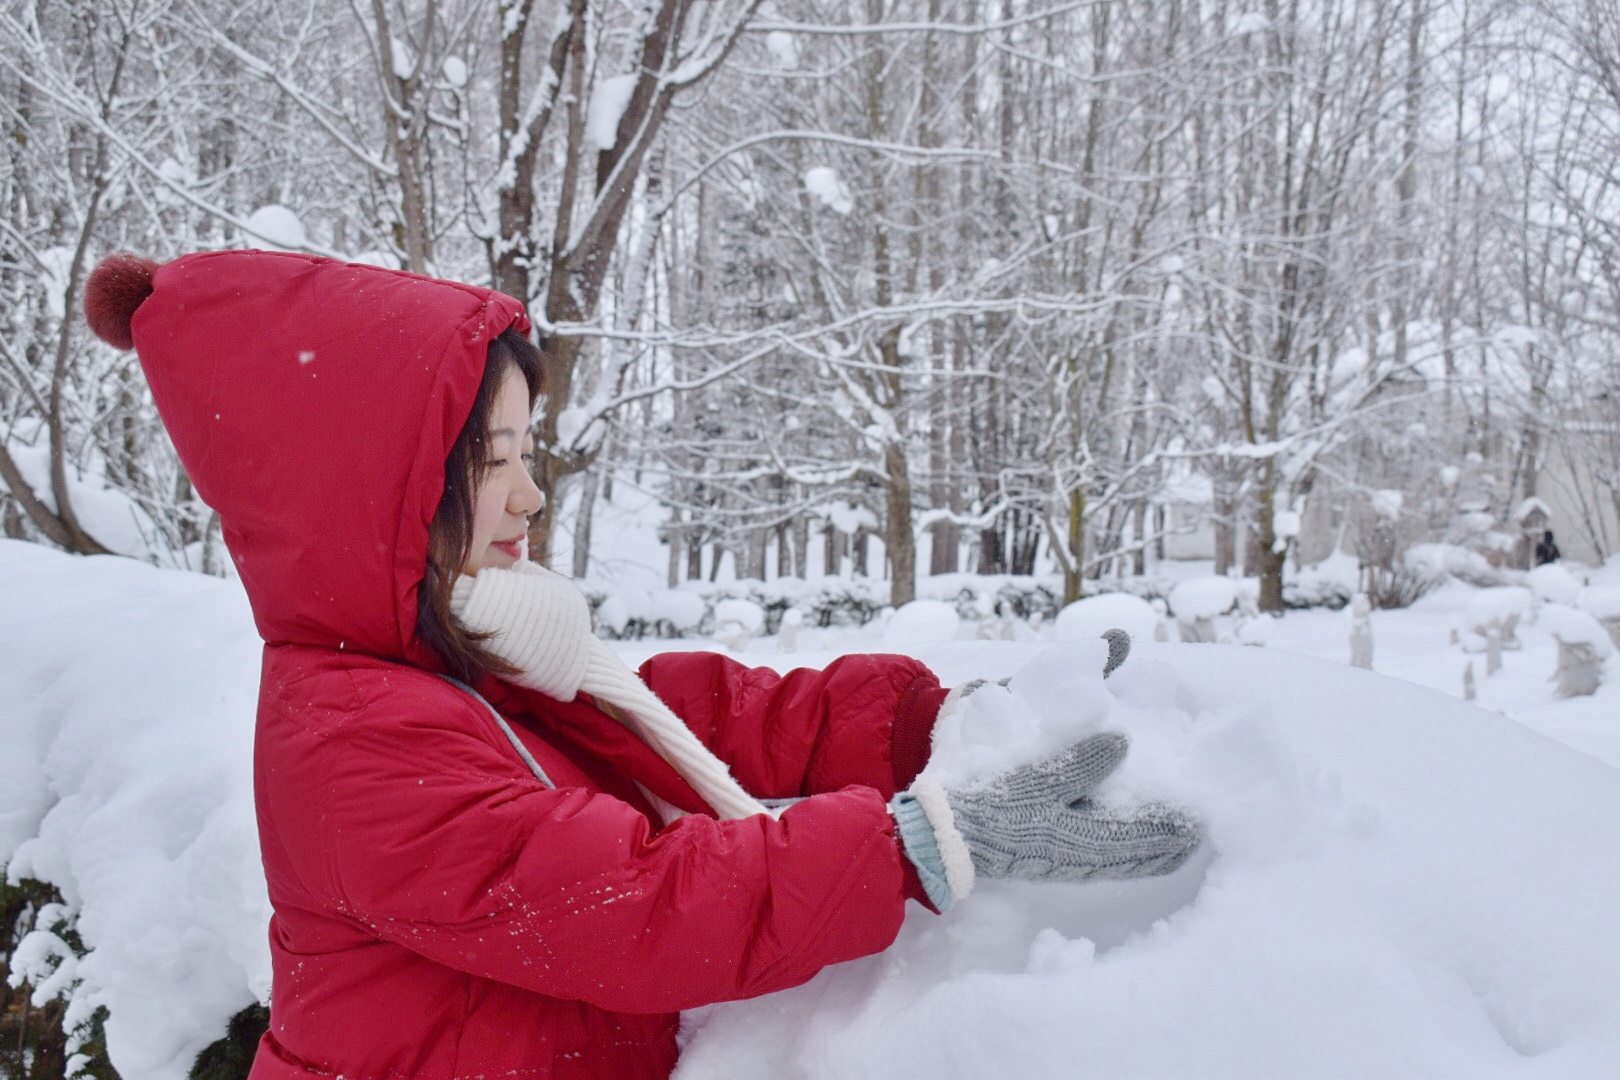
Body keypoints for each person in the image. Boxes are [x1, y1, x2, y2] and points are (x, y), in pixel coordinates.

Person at [84, 251, 1199, 1079]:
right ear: (376, 495)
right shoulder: (354, 740)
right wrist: (915, 846)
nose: (529, 496)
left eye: (532, 455)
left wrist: (934, 719)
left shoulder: (455, 653)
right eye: (494, 462)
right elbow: (632, 904)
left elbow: (690, 716)